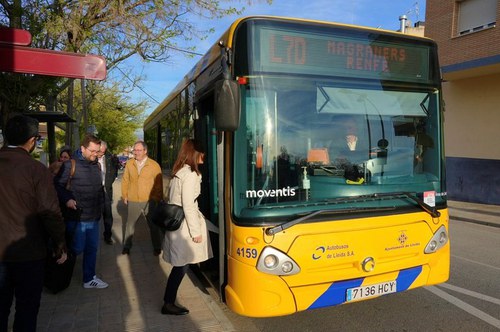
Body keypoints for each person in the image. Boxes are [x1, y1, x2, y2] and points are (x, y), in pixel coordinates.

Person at [0, 115, 67, 332]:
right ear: (32, 140)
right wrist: (59, 244)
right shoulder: (36, 169)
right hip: (28, 253)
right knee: (27, 309)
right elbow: (50, 212)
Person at [161, 139, 213, 315]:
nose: (204, 157)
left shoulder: (179, 172)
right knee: (181, 266)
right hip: (184, 227)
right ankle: (168, 303)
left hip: (177, 224)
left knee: (180, 265)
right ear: (195, 153)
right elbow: (188, 205)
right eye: (202, 153)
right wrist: (196, 232)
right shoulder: (191, 174)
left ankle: (168, 301)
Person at [54, 134, 108, 289]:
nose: (95, 154)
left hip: (94, 216)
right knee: (76, 248)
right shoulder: (70, 165)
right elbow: (57, 186)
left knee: (92, 248)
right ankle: (59, 270)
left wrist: (103, 208)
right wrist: (67, 199)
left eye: (97, 151)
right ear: (83, 148)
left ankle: (89, 278)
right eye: (92, 151)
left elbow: (99, 189)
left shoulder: (96, 165)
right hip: (77, 217)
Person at [121, 141, 163, 255]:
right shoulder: (129, 163)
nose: (136, 152)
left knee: (153, 225)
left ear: (145, 151)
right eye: (135, 150)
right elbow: (125, 180)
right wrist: (125, 195)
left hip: (149, 200)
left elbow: (159, 184)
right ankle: (127, 246)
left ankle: (157, 247)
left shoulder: (154, 165)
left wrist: (156, 199)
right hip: (133, 198)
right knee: (130, 224)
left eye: (139, 150)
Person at [96, 141, 118, 245]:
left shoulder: (109, 158)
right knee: (94, 215)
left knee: (108, 215)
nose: (101, 154)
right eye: (100, 151)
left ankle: (107, 236)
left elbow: (114, 171)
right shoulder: (91, 158)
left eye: (103, 152)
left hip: (106, 190)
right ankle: (93, 236)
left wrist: (109, 182)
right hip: (94, 191)